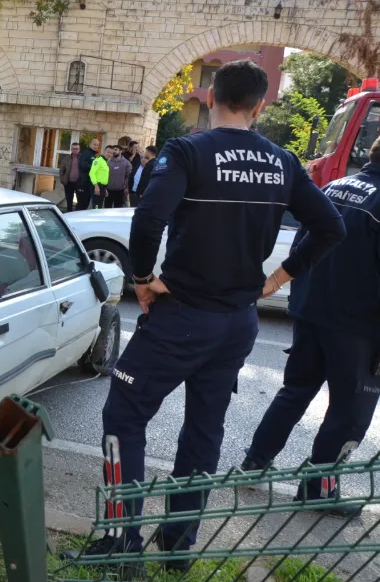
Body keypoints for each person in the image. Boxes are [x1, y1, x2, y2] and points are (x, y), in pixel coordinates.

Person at [66, 59, 346, 571]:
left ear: (212, 97)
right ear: (260, 107)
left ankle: (122, 543)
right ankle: (178, 547)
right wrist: (278, 279)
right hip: (238, 323)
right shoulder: (283, 162)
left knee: (123, 416)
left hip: (182, 318)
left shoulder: (188, 150)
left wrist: (142, 278)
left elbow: (150, 217)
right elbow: (330, 226)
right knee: (203, 431)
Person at [240, 138, 380, 517]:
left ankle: (255, 461)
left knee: (295, 391)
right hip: (358, 327)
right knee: (349, 412)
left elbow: (303, 245)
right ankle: (318, 489)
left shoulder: (336, 187)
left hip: (311, 310)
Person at [76, 137, 101, 211]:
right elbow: (82, 165)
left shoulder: (94, 155)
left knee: (85, 204)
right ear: (90, 144)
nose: (96, 146)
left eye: (97, 145)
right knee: (81, 204)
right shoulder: (85, 153)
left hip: (89, 183)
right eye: (94, 144)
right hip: (83, 182)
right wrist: (94, 167)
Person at [59, 142, 81, 212]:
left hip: (79, 183)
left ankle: (77, 213)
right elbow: (61, 170)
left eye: (77, 149)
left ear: (79, 149)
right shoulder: (66, 158)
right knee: (69, 199)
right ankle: (69, 212)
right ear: (71, 149)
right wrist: (62, 180)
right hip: (68, 183)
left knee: (80, 200)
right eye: (74, 149)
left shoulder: (82, 158)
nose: (75, 150)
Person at [89, 145, 110, 209]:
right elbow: (91, 173)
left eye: (111, 153)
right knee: (96, 208)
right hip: (97, 187)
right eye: (108, 152)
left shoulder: (105, 161)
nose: (110, 154)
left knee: (99, 207)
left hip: (102, 187)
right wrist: (96, 186)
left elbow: (103, 176)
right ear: (104, 152)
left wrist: (105, 189)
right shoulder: (98, 160)